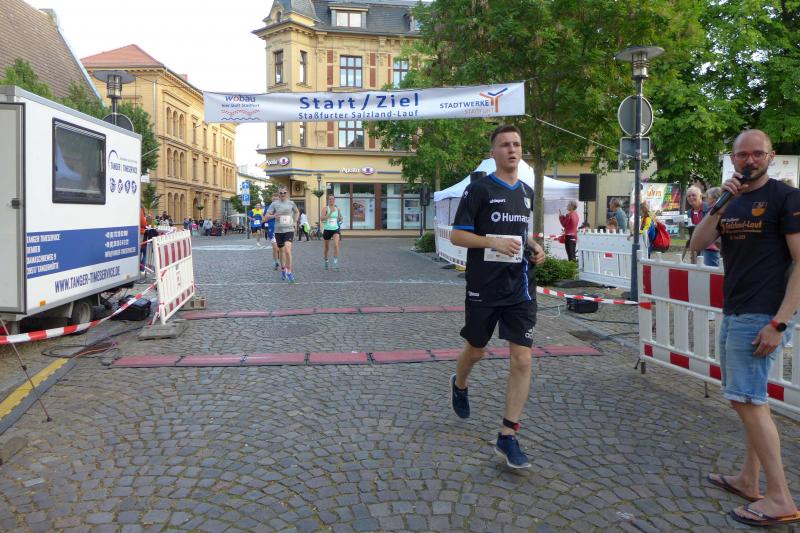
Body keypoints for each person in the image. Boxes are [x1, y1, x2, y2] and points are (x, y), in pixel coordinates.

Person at [691, 129, 800, 527]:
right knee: (751, 399)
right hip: (737, 309)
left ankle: (780, 497)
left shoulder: (786, 198)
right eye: (742, 155)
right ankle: (749, 479)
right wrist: (719, 206)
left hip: (763, 313)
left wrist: (779, 322)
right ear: (733, 159)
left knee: (747, 401)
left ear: (770, 156)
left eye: (757, 153)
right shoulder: (729, 201)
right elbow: (697, 243)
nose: (749, 160)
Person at [449, 124, 546, 469]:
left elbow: (521, 232)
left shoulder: (527, 191)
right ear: (493, 153)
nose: (512, 149)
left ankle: (507, 435)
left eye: (516, 144)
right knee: (476, 349)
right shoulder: (479, 189)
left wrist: (534, 246)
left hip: (520, 287)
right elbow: (457, 236)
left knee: (522, 359)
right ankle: (460, 383)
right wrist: (492, 242)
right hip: (484, 286)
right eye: (505, 144)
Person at [265, 187, 300, 282]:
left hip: (289, 229)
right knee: (281, 251)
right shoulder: (274, 204)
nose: (283, 194)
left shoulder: (291, 203)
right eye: (281, 193)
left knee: (288, 250)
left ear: (287, 193)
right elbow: (266, 216)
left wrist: (295, 221)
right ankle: (283, 269)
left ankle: (289, 272)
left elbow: (297, 212)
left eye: (284, 192)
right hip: (278, 231)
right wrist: (273, 216)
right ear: (278, 194)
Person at [686, 186, 719, 267]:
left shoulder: (710, 207)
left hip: (710, 245)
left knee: (709, 268)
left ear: (700, 196)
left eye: (693, 195)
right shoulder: (689, 212)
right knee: (695, 268)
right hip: (696, 244)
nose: (691, 198)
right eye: (689, 196)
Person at [322, 194, 344, 270]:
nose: (331, 200)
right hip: (327, 229)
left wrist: (340, 218)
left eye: (333, 199)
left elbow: (340, 217)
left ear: (334, 200)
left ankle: (335, 262)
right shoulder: (325, 208)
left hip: (335, 229)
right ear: (328, 200)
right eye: (330, 199)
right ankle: (326, 261)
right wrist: (330, 213)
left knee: (336, 245)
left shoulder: (337, 209)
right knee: (327, 248)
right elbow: (322, 218)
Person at [266, 193, 280, 270]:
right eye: (274, 199)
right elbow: (265, 218)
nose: (275, 201)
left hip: (281, 229)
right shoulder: (268, 208)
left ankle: (279, 258)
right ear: (272, 199)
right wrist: (273, 216)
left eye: (276, 199)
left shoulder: (282, 207)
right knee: (275, 247)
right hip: (271, 229)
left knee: (280, 248)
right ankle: (276, 262)